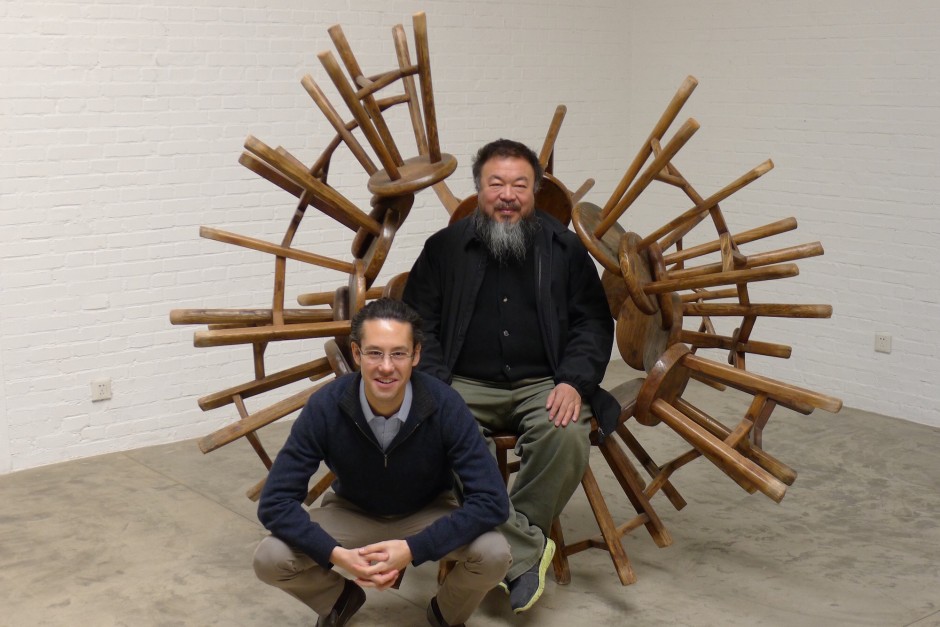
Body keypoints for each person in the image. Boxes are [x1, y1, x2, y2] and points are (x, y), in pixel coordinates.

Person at [403, 138, 619, 614]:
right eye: (495, 183)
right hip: (464, 382)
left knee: (565, 434)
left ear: (536, 190)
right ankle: (525, 551)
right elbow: (419, 325)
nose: (507, 194)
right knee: (440, 434)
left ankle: (505, 539)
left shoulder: (564, 248)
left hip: (544, 380)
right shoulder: (443, 249)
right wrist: (439, 389)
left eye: (519, 184)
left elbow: (593, 322)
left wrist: (573, 381)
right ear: (478, 189)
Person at [253, 298, 511, 627]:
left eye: (398, 353)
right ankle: (338, 599)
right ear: (357, 354)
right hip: (352, 512)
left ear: (416, 355)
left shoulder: (445, 404)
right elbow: (275, 502)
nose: (386, 366)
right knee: (269, 558)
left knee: (494, 552)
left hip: (426, 512)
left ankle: (446, 613)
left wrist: (414, 548)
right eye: (374, 353)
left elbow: (492, 501)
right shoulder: (326, 406)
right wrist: (336, 554)